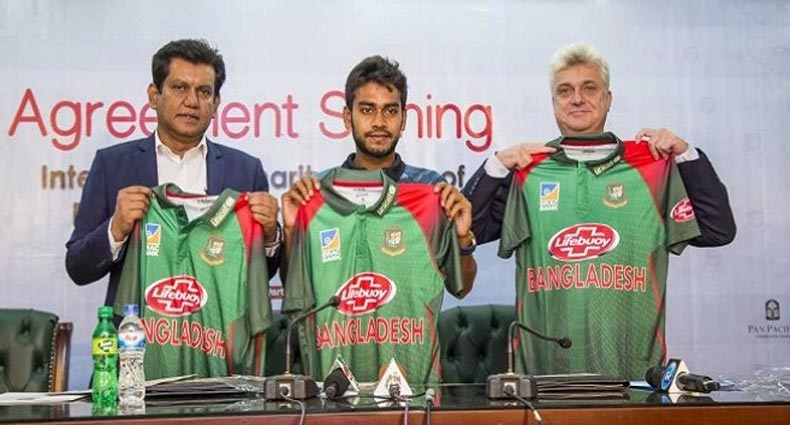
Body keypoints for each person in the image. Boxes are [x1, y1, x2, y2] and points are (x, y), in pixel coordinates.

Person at [463, 43, 736, 380]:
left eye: (589, 88)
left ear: (608, 99)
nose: (577, 99)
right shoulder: (528, 172)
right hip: (545, 382)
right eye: (565, 91)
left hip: (634, 381)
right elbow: (467, 231)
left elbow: (717, 230)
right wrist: (495, 166)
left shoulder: (650, 169)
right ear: (553, 102)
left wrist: (685, 154)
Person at [280, 55, 477, 386]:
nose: (379, 122)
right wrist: (290, 231)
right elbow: (295, 288)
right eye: (367, 109)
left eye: (390, 110)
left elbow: (463, 286)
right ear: (347, 117)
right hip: (334, 391)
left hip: (412, 391)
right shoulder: (315, 192)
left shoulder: (431, 190)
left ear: (404, 119)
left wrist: (462, 238)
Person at [65, 39, 281, 316]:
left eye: (204, 92)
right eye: (179, 88)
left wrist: (271, 236)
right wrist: (116, 228)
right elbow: (78, 268)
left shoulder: (246, 170)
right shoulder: (113, 164)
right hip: (138, 334)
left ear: (216, 103)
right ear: (154, 95)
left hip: (217, 334)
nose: (191, 101)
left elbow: (262, 274)